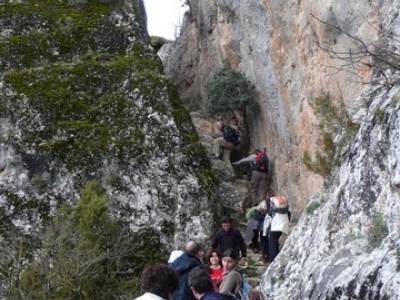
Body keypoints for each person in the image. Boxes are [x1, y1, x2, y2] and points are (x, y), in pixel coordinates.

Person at [263, 195, 290, 262]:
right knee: (275, 240)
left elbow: (269, 213)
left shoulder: (269, 201)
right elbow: (289, 213)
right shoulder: (283, 203)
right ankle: (276, 257)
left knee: (272, 241)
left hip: (276, 225)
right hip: (284, 224)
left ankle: (274, 259)